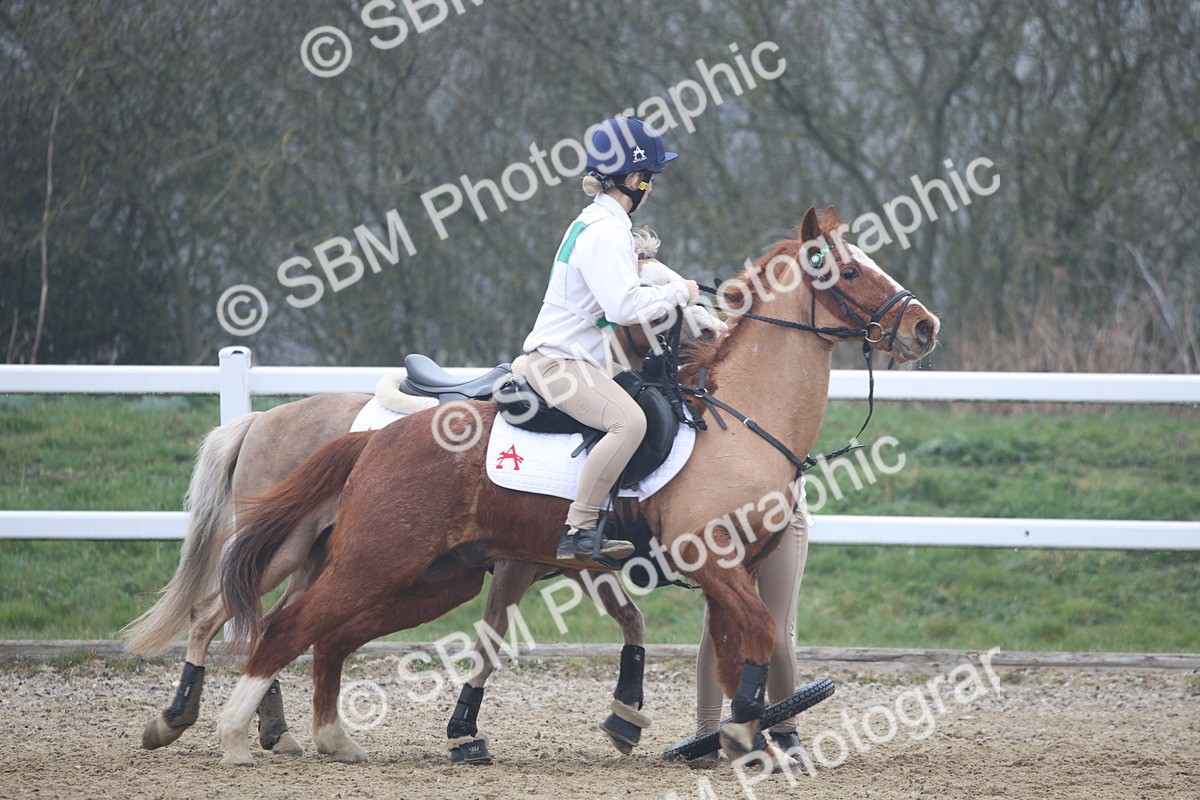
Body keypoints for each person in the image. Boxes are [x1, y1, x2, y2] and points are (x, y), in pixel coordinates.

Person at [521, 116, 699, 568]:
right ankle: (579, 530)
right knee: (628, 422)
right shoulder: (606, 231)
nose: (652, 188)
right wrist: (678, 292)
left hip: (582, 360)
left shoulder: (597, 222)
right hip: (560, 365)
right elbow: (622, 306)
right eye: (651, 178)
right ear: (635, 180)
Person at [692, 489, 813, 765]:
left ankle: (785, 731)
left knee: (778, 635)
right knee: (720, 630)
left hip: (783, 511)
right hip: (724, 516)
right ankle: (706, 734)